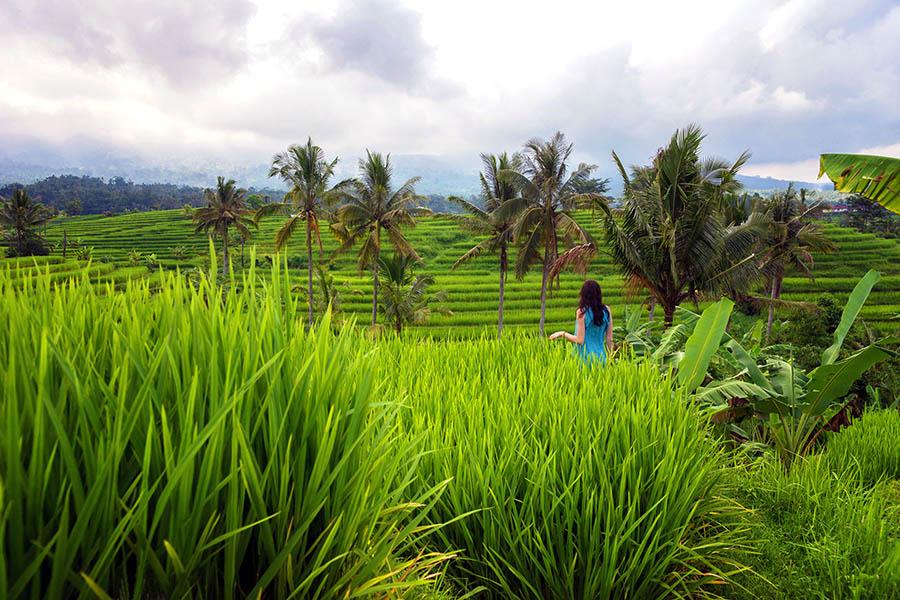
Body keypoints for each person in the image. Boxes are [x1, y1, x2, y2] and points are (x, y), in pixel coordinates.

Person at [549, 279, 613, 363]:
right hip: (601, 358)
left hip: (584, 359)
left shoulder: (582, 312)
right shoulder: (607, 310)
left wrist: (562, 334)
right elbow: (609, 338)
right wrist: (610, 357)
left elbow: (580, 340)